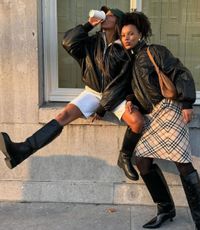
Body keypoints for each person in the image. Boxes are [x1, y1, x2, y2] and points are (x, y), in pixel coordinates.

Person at [0, 7, 144, 181]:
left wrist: (110, 105)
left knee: (137, 122)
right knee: (63, 115)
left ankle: (125, 156)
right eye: (104, 14)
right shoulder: (91, 43)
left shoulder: (126, 49)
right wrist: (87, 25)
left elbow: (125, 81)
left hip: (115, 95)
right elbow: (68, 42)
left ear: (118, 22)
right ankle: (21, 150)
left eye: (110, 15)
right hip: (92, 92)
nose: (105, 16)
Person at [120, 12, 200, 230]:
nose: (127, 38)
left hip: (168, 110)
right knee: (142, 161)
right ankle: (166, 209)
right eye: (123, 35)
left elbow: (180, 72)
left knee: (182, 163)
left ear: (140, 34)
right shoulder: (131, 61)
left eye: (131, 33)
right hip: (152, 116)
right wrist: (132, 100)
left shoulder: (154, 51)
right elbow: (141, 88)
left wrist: (187, 102)